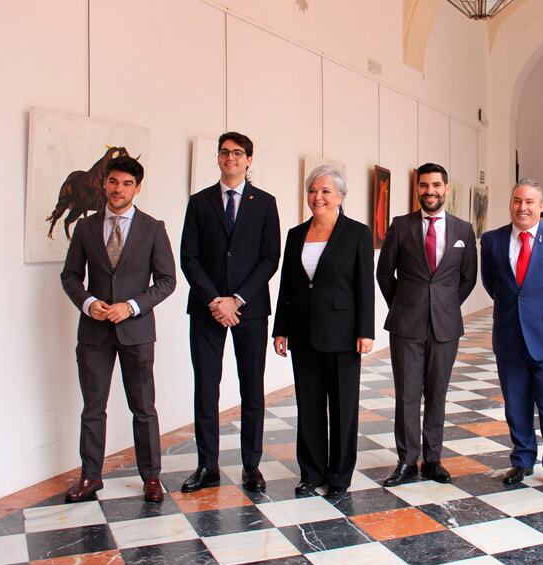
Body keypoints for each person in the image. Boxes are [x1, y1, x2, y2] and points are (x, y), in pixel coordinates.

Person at [60, 155, 176, 503]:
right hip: (93, 332)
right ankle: (90, 476)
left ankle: (151, 477)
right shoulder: (86, 228)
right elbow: (70, 276)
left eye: (127, 183)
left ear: (137, 188)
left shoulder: (153, 228)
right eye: (113, 181)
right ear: (104, 183)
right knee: (92, 407)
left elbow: (167, 280)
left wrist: (132, 306)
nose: (118, 189)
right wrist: (87, 302)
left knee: (143, 408)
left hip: (136, 332)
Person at [180, 131, 281, 493]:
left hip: (249, 309)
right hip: (206, 309)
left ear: (249, 159)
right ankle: (207, 465)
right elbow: (188, 257)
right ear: (218, 158)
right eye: (225, 152)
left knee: (252, 388)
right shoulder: (199, 202)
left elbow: (270, 257)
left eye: (238, 153)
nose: (231, 158)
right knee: (206, 388)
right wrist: (215, 300)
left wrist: (236, 299)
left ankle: (251, 465)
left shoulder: (265, 203)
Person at [272, 166, 375, 499]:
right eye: (313, 191)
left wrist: (366, 331)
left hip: (343, 334)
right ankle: (311, 472)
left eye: (326, 191)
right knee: (309, 406)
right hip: (303, 333)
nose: (317, 197)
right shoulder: (295, 234)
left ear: (340, 197)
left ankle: (340, 475)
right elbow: (287, 286)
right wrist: (280, 329)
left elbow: (365, 286)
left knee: (343, 408)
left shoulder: (357, 233)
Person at [376, 162, 478, 486]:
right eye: (424, 185)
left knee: (437, 393)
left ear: (446, 188)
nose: (429, 191)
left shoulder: (463, 230)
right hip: (406, 324)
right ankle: (407, 461)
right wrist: (403, 306)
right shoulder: (400, 225)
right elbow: (384, 273)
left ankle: (433, 460)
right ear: (417, 188)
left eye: (435, 185)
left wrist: (444, 306)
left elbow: (468, 278)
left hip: (445, 326)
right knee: (407, 395)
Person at [480, 178, 543, 494]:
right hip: (509, 335)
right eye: (517, 201)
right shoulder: (493, 240)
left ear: (541, 206)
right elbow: (491, 284)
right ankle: (522, 459)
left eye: (528, 202)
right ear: (510, 204)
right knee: (515, 403)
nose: (522, 208)